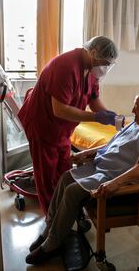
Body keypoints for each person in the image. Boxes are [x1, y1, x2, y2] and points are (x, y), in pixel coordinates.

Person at [25, 91, 139, 265]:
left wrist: (114, 183)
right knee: (66, 177)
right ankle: (49, 228)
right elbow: (112, 143)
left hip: (111, 176)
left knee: (72, 191)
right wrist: (86, 153)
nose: (132, 110)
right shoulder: (136, 123)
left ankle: (53, 243)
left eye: (137, 107)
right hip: (99, 166)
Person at [18, 36, 119, 214]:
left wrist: (113, 118)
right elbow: (60, 110)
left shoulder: (91, 72)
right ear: (93, 53)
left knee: (64, 171)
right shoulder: (66, 67)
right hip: (43, 126)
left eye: (109, 65)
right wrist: (96, 118)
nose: (106, 68)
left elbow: (93, 99)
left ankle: (65, 212)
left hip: (63, 130)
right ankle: (52, 220)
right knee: (47, 178)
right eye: (105, 63)